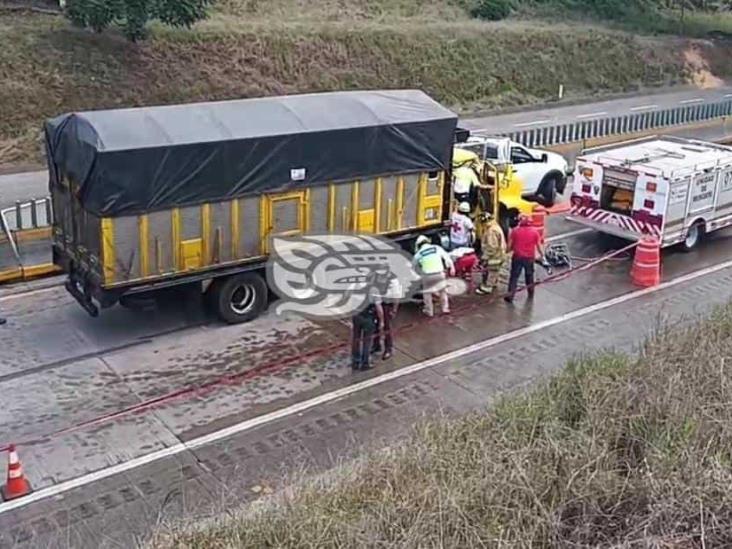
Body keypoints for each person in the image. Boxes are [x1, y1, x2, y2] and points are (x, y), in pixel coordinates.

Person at [504, 214, 544, 304]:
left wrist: (506, 252)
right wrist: (542, 256)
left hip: (517, 257)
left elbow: (509, 246)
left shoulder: (515, 231)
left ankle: (510, 296)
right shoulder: (534, 232)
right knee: (529, 276)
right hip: (529, 258)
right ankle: (530, 292)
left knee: (514, 277)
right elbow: (539, 245)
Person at [413, 235, 455, 317]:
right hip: (440, 273)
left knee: (427, 294)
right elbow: (447, 257)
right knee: (442, 292)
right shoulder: (436, 248)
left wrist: (418, 274)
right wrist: (452, 268)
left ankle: (429, 311)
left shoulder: (419, 253)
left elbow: (414, 266)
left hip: (428, 276)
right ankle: (445, 308)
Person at [351, 285, 384, 371]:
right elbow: (379, 308)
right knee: (367, 342)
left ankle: (355, 361)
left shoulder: (353, 286)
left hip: (356, 315)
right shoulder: (373, 290)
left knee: (356, 339)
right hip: (368, 317)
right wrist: (381, 321)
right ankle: (365, 363)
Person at [371, 272, 402, 361]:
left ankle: (388, 348)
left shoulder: (393, 281)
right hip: (376, 303)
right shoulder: (375, 276)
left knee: (387, 328)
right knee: (375, 326)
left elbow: (396, 297)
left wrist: (394, 309)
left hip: (387, 304)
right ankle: (376, 345)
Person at [476, 212, 506, 295]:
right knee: (495, 272)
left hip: (494, 257)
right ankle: (494, 283)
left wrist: (484, 257)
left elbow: (492, 247)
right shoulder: (495, 227)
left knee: (490, 272)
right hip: (499, 255)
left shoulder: (491, 231)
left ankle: (487, 288)